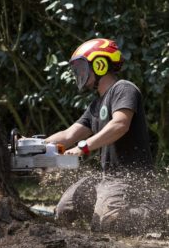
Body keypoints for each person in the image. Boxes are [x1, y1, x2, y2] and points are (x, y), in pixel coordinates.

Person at [46, 38, 168, 235]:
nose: (79, 74)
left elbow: (120, 124)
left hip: (128, 178)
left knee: (108, 225)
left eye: (82, 67)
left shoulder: (124, 89)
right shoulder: (95, 105)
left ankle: (161, 209)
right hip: (105, 178)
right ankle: (107, 209)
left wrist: (82, 147)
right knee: (63, 212)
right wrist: (33, 145)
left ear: (99, 64)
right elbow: (69, 134)